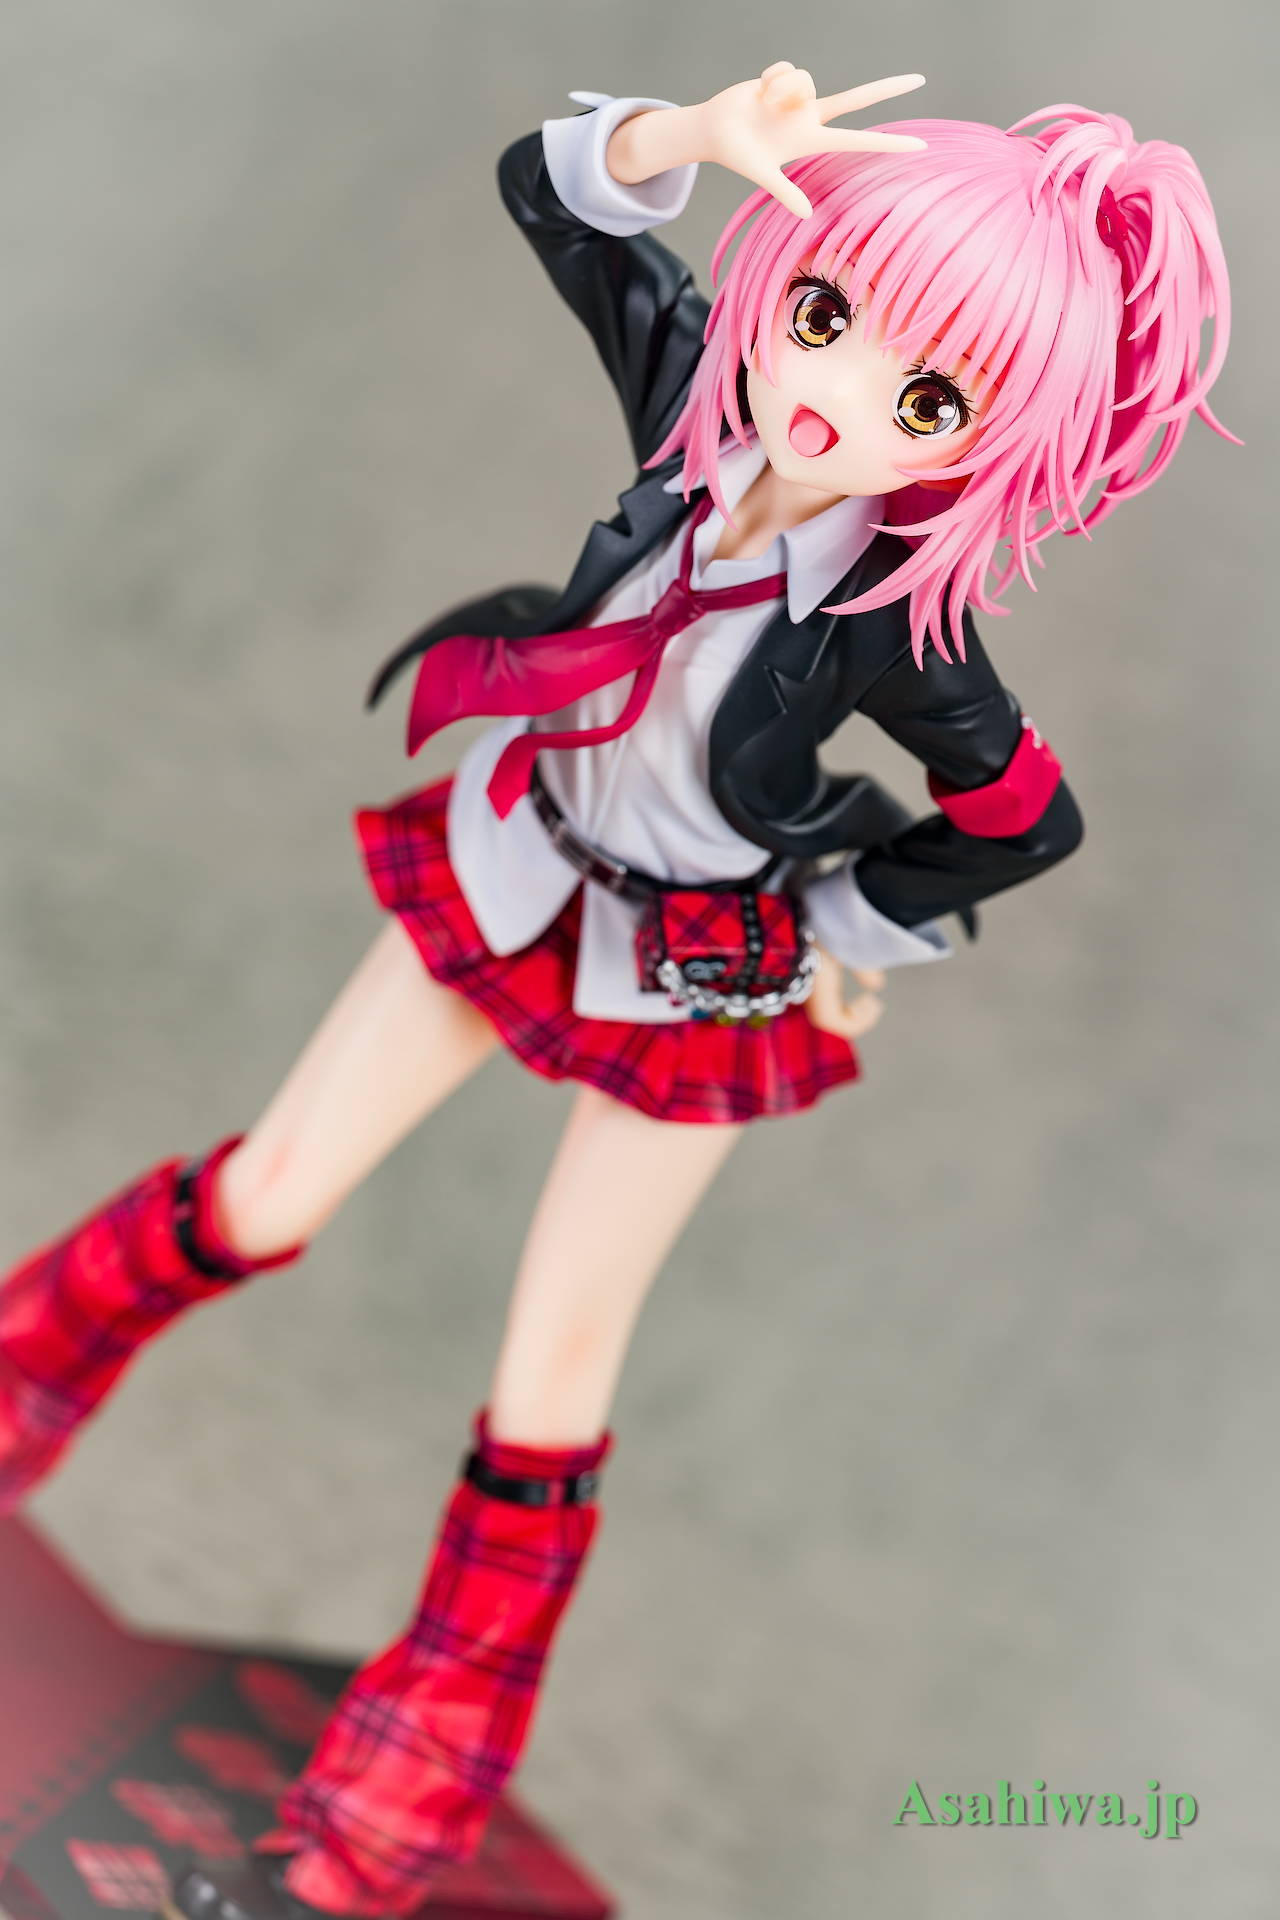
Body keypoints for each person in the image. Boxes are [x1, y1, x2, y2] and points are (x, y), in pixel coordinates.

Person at [0, 62, 1231, 1920]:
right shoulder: (689, 419)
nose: (832, 395)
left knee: (553, 1370)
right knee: (265, 1194)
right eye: (827, 314)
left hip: (685, 973)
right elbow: (553, 196)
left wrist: (841, 931)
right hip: (522, 863)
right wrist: (688, 141)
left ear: (982, 446)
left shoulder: (900, 634)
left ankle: (383, 1822)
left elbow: (1025, 821)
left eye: (925, 399)